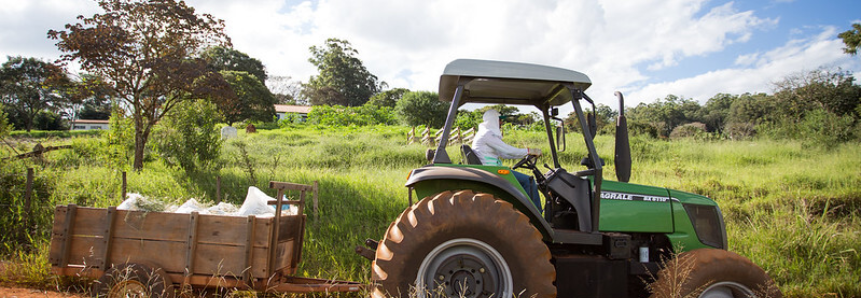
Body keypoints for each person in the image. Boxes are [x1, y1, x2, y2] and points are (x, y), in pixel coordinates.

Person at [472, 109, 543, 212]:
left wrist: (525, 155)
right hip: (492, 171)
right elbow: (508, 150)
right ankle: (537, 216)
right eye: (499, 120)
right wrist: (529, 151)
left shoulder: (485, 134)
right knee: (529, 182)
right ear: (493, 119)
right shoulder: (487, 134)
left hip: (491, 170)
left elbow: (504, 154)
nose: (501, 122)